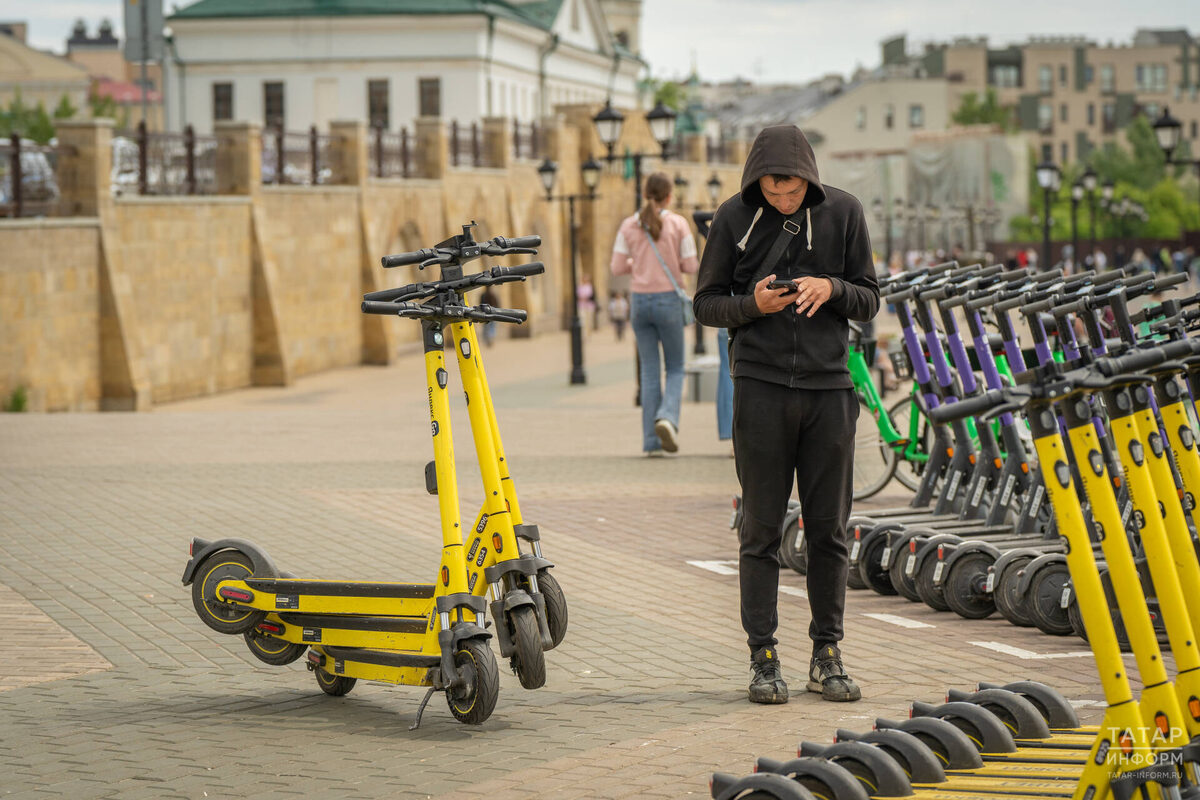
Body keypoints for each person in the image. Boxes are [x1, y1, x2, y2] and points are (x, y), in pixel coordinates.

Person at [693, 124, 879, 705]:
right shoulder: (732, 218)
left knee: (829, 529)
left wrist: (832, 287)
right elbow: (705, 303)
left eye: (792, 190)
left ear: (809, 178)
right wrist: (753, 305)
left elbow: (870, 296)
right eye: (772, 190)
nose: (783, 199)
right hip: (762, 387)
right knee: (762, 528)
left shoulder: (844, 213)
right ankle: (763, 657)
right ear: (757, 181)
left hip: (829, 389)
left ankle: (827, 653)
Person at [610, 171, 699, 455]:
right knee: (674, 367)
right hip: (669, 301)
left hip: (640, 303)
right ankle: (668, 419)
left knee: (649, 372)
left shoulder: (629, 225)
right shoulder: (678, 224)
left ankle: (651, 442)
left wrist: (638, 262)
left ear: (646, 194)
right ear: (670, 195)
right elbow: (691, 266)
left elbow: (616, 267)